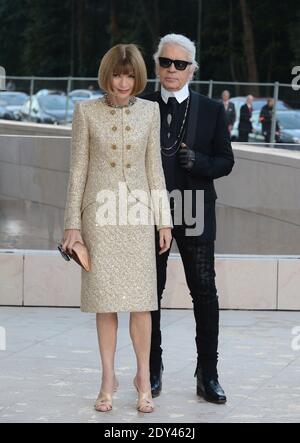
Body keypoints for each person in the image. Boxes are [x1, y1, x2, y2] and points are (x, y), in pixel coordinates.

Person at [61, 44, 173, 413]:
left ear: (138, 76)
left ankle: (143, 379)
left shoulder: (151, 111)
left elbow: (155, 169)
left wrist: (164, 220)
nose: (123, 82)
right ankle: (108, 379)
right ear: (106, 75)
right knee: (105, 304)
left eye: (129, 75)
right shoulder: (85, 112)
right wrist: (72, 226)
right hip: (100, 217)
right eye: (116, 74)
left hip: (138, 215)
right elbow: (77, 172)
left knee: (142, 303)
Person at [143, 34, 234, 404]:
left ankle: (208, 373)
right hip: (151, 212)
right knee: (149, 294)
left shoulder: (211, 110)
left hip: (195, 208)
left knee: (205, 293)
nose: (172, 70)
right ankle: (152, 367)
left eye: (180, 64)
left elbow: (226, 161)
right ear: (156, 64)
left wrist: (198, 162)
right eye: (166, 62)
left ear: (192, 70)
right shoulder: (142, 106)